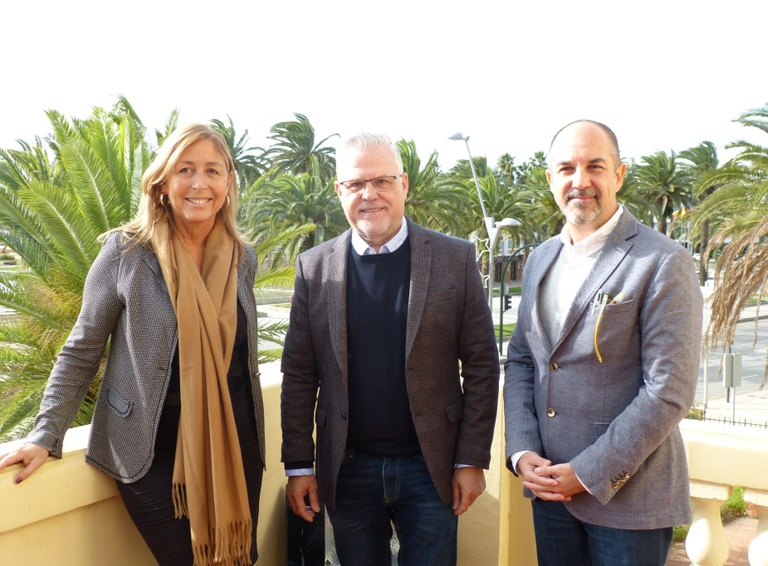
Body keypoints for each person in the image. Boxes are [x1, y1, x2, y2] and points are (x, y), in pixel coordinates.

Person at [0, 124, 265, 566]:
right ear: (161, 183)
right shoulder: (126, 253)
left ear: (228, 183)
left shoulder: (243, 258)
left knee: (238, 558)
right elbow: (82, 349)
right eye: (185, 169)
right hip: (149, 449)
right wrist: (46, 433)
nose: (199, 184)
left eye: (212, 171)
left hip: (234, 443)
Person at [280, 132, 500, 565]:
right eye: (356, 183)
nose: (370, 194)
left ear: (404, 184)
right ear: (339, 191)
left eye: (381, 181)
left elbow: (482, 366)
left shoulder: (455, 259)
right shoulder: (314, 268)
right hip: (348, 470)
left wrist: (471, 459)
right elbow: (300, 374)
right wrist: (299, 466)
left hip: (432, 468)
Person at [503, 119, 703, 565]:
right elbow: (522, 360)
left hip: (629, 504)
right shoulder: (539, 259)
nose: (580, 181)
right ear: (550, 178)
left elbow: (668, 391)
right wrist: (522, 449)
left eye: (595, 166)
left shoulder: (663, 260)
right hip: (550, 493)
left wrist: (587, 473)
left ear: (619, 174)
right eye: (566, 168)